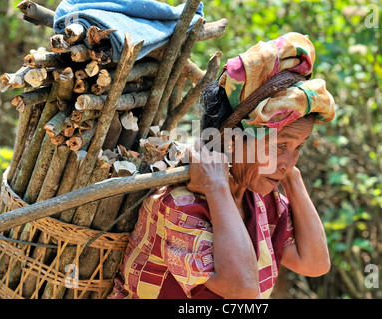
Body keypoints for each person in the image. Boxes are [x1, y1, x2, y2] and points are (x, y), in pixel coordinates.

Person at [108, 32, 335, 299]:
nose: (287, 161)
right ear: (231, 141)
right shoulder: (181, 204)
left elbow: (314, 263)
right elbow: (242, 290)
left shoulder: (262, 200)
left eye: (300, 147)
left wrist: (291, 176)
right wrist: (216, 187)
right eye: (278, 145)